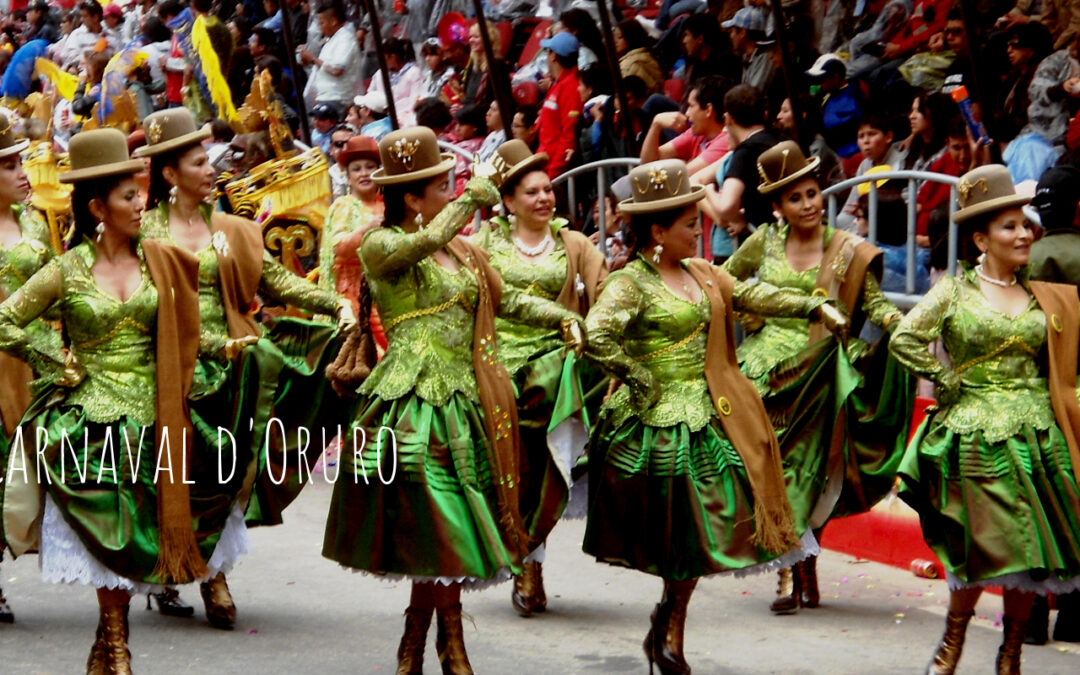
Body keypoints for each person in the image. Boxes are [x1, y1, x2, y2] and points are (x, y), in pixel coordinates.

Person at [322, 127, 585, 674]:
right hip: (410, 404)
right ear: (414, 197)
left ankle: (419, 644)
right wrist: (473, 197)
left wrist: (568, 320)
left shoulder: (463, 250)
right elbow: (418, 243)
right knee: (443, 528)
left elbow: (508, 299)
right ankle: (452, 649)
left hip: (467, 401)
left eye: (453, 183)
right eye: (443, 185)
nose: (453, 189)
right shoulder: (379, 243)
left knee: (444, 536)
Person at [583, 157, 845, 674]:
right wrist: (637, 377)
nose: (698, 230)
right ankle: (669, 621)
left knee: (707, 530)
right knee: (679, 536)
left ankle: (671, 621)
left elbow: (750, 293)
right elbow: (596, 337)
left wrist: (813, 307)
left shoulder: (702, 272)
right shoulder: (628, 283)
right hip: (651, 430)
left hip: (709, 415)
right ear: (657, 231)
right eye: (688, 224)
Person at [0, 128, 243, 671]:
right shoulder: (64, 270)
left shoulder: (161, 260)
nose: (141, 203)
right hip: (91, 425)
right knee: (113, 537)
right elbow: (4, 319)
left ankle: (109, 646)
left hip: (161, 420)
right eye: (128, 196)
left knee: (152, 534)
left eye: (140, 193)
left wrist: (224, 345)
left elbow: (180, 332)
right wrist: (51, 362)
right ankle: (116, 643)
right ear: (96, 207)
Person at [136, 108, 353, 630]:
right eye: (196, 161)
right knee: (173, 472)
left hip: (233, 367)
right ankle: (172, 565)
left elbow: (275, 282)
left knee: (223, 470)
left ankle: (212, 573)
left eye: (208, 159)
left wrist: (333, 307)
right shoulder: (140, 230)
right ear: (170, 173)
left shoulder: (231, 228)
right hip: (165, 363)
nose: (209, 169)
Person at [892, 164, 1080, 674]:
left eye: (1025, 225)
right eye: (1009, 226)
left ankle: (1011, 655)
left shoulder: (1044, 295)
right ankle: (952, 642)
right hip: (975, 440)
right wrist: (945, 379)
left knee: (1030, 556)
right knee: (979, 547)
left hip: (1039, 438)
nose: (1023, 234)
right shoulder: (953, 293)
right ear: (981, 238)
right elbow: (903, 338)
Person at [723, 140, 910, 614]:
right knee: (773, 475)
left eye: (812, 193)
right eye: (795, 198)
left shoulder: (848, 249)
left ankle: (800, 564)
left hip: (824, 375)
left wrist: (896, 324)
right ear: (777, 207)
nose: (808, 204)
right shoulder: (762, 242)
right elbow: (720, 281)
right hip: (763, 377)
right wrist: (752, 305)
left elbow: (875, 303)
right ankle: (791, 566)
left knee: (816, 476)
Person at [471, 140, 609, 616]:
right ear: (508, 202)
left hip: (554, 370)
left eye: (548, 189)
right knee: (507, 469)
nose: (544, 198)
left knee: (545, 464)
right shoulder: (482, 244)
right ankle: (517, 552)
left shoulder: (576, 243)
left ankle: (530, 560)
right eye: (531, 192)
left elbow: (607, 296)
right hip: (494, 367)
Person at [0, 114, 61, 625]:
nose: (23, 173)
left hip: (35, 361)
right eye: (9, 165)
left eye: (21, 161)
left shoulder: (37, 222)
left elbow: (57, 290)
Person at [319, 135, 383, 323]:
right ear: (348, 178)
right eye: (356, 169)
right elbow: (338, 247)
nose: (363, 173)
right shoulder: (344, 206)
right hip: (354, 291)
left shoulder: (387, 205)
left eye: (370, 167)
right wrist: (367, 229)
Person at [299, 1, 362, 111]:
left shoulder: (345, 39)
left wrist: (313, 59)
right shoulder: (332, 39)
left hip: (339, 98)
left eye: (321, 23)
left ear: (333, 21)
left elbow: (336, 69)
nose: (320, 27)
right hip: (327, 97)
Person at [535, 31, 582, 178]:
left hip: (554, 170)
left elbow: (569, 134)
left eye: (547, 52)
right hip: (544, 162)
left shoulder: (571, 87)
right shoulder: (559, 84)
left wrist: (552, 174)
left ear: (554, 56)